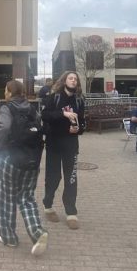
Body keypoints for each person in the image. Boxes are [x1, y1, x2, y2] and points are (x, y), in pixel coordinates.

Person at [0, 80, 48, 256]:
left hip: (10, 159)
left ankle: (9, 237)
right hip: (32, 161)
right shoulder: (32, 108)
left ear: (9, 92)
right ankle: (38, 233)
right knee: (26, 197)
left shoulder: (7, 108)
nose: (5, 93)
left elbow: (4, 127)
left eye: (5, 90)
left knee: (6, 197)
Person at [41, 71, 85, 230]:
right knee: (53, 177)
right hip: (54, 144)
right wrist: (63, 114)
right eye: (70, 78)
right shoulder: (54, 97)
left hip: (71, 145)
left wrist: (78, 129)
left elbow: (83, 122)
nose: (73, 81)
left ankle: (71, 212)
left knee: (71, 178)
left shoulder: (80, 100)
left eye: (75, 79)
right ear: (64, 80)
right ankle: (48, 205)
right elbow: (44, 115)